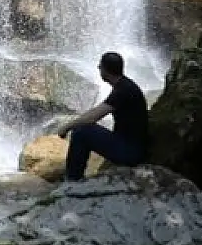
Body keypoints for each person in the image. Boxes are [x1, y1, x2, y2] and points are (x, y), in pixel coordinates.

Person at [53, 51, 148, 181]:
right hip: (130, 146)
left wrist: (66, 127)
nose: (99, 69)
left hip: (130, 152)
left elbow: (93, 116)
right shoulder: (125, 85)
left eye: (99, 67)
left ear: (105, 70)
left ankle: (72, 180)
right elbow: (96, 112)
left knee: (81, 132)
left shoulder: (123, 91)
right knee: (84, 129)